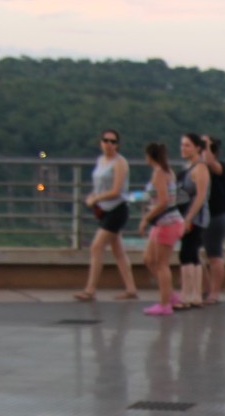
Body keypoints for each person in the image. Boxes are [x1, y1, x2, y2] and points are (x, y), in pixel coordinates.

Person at [74, 128, 137, 301]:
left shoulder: (120, 162)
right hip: (103, 210)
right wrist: (92, 196)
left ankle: (90, 290)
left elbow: (116, 190)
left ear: (117, 144)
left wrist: (96, 199)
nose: (109, 144)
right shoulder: (101, 160)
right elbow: (98, 184)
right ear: (100, 142)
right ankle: (131, 289)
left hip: (117, 210)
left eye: (113, 141)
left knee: (96, 246)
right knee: (118, 250)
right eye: (106, 140)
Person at [135, 142, 184, 317]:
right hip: (163, 223)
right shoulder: (167, 171)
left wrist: (146, 218)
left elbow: (163, 201)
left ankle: (164, 304)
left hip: (167, 223)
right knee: (149, 259)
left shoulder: (159, 174)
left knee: (162, 264)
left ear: (149, 156)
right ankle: (169, 294)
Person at [173, 133, 212, 313]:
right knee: (192, 254)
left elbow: (201, 196)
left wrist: (188, 218)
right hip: (187, 215)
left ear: (197, 147)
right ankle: (194, 295)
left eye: (187, 145)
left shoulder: (200, 168)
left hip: (195, 217)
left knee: (187, 253)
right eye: (182, 145)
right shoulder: (187, 167)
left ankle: (187, 294)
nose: (183, 148)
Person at [198, 135, 225, 305]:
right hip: (201, 216)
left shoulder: (220, 167)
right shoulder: (197, 167)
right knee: (195, 253)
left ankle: (214, 292)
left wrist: (207, 145)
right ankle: (205, 289)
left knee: (214, 254)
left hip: (216, 216)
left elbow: (212, 163)